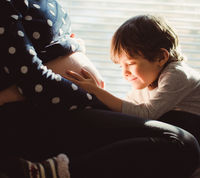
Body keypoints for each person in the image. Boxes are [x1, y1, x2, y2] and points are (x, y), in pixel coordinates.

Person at [0, 0, 199, 177]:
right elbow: (30, 76)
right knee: (180, 143)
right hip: (46, 112)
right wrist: (94, 95)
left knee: (183, 138)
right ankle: (45, 172)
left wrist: (74, 49)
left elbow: (48, 46)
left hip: (71, 105)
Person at [66, 14, 200, 143]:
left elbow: (147, 114)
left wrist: (97, 92)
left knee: (158, 122)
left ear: (161, 57)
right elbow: (126, 110)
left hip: (194, 129)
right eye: (120, 66)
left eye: (130, 64)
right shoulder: (146, 81)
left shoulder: (177, 74)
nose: (125, 73)